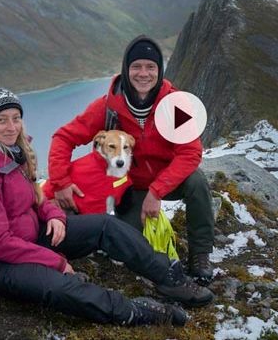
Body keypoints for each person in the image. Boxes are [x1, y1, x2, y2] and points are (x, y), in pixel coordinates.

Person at [0, 87, 213, 327]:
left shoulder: (13, 153)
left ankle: (169, 278)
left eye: (15, 118)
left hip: (32, 236)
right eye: (1, 120)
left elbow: (36, 196)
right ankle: (134, 311)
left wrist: (53, 215)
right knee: (60, 288)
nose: (11, 127)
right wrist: (56, 262)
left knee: (105, 225)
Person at [48, 35, 215, 284]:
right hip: (128, 189)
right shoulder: (108, 106)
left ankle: (200, 254)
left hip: (164, 181)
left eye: (151, 67)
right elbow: (64, 138)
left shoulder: (175, 105)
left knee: (197, 183)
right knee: (133, 245)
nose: (143, 74)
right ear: (126, 69)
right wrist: (60, 181)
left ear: (160, 70)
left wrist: (157, 191)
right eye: (136, 66)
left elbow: (190, 152)